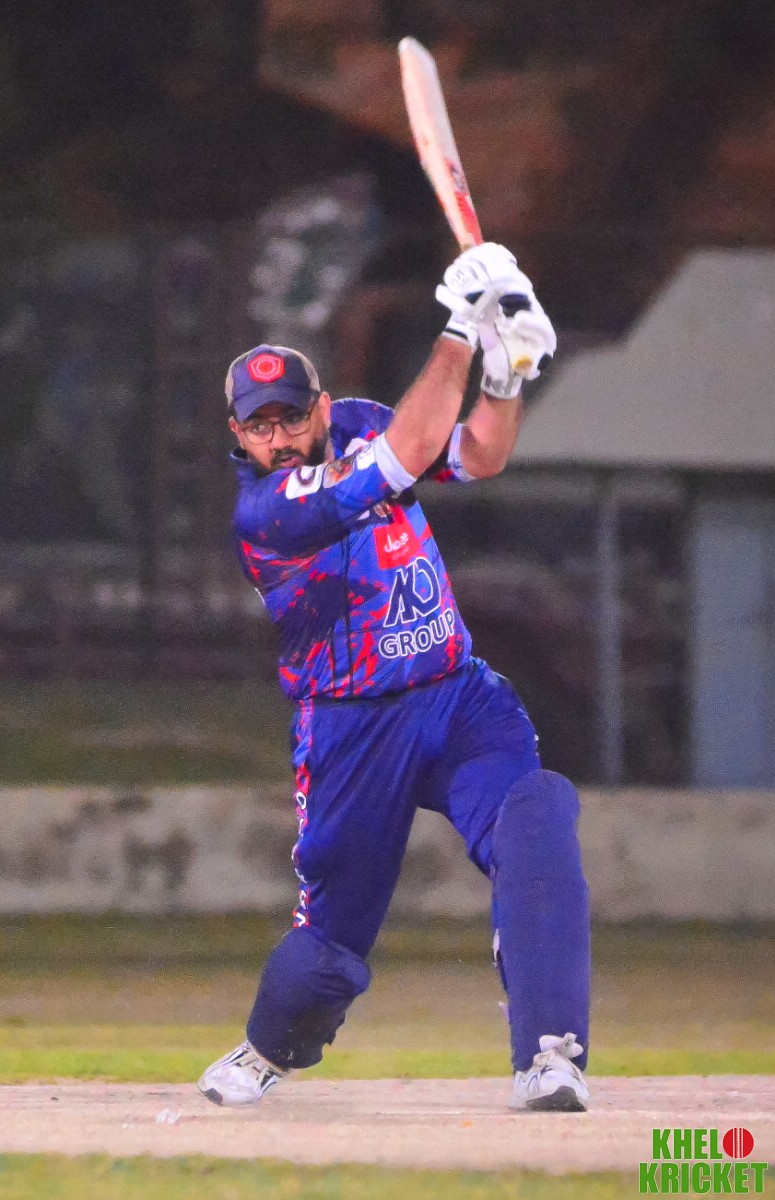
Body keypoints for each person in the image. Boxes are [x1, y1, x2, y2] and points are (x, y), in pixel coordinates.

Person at [198, 242, 591, 1112]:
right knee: (330, 941)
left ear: (321, 407)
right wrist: (461, 328)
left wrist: (508, 375)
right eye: (259, 426)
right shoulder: (266, 513)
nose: (278, 438)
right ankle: (269, 1049)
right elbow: (406, 454)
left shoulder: (362, 420)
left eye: (290, 417)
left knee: (536, 820)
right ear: (237, 433)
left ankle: (551, 1056)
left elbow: (478, 456)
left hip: (456, 695)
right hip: (351, 724)